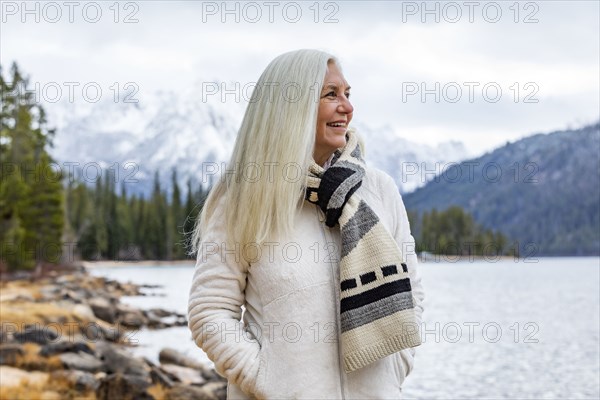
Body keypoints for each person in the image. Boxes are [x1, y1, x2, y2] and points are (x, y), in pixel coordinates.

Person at [188, 49, 425, 399]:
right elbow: (210, 312)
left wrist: (394, 369)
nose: (347, 106)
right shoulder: (242, 198)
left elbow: (412, 295)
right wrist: (267, 382)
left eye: (347, 94)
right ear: (291, 108)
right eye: (331, 95)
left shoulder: (378, 190)